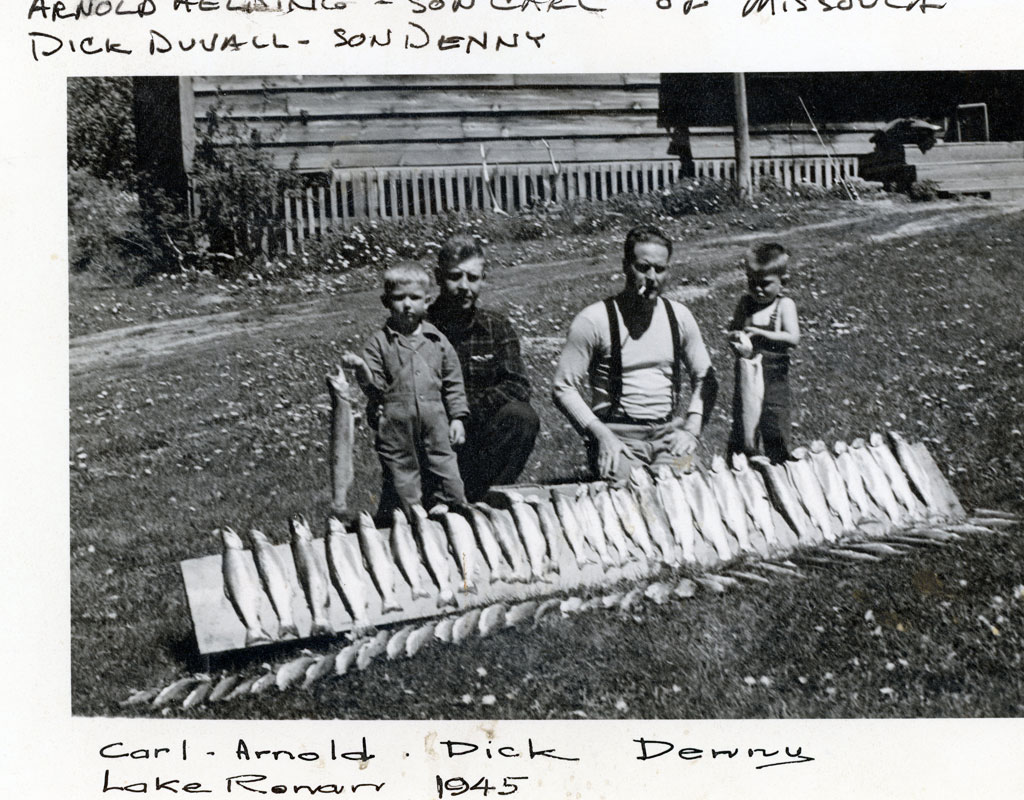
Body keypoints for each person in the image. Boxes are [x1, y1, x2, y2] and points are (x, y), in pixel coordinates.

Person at [552, 224, 718, 482]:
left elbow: (706, 377)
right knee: (630, 491)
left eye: (660, 269)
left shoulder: (680, 317)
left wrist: (691, 430)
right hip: (617, 437)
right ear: (625, 266)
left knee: (693, 479)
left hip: (668, 436)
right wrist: (600, 434)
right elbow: (563, 387)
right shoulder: (594, 319)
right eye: (643, 267)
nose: (651, 277)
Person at [343, 263, 468, 520]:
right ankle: (413, 514)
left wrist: (457, 418)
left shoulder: (437, 340)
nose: (407, 304)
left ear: (427, 301)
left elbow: (453, 382)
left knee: (444, 462)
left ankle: (452, 505)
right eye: (399, 298)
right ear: (386, 302)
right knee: (401, 468)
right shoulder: (379, 342)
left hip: (435, 416)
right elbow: (373, 386)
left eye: (414, 298)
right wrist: (361, 369)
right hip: (395, 418)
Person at [427, 235, 540, 501]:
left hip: (478, 436)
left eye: (473, 278)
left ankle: (483, 497)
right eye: (455, 276)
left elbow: (517, 385)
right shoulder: (419, 328)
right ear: (438, 277)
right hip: (430, 435)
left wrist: (466, 416)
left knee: (522, 417)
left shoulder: (496, 327)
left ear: (483, 279)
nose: (464, 286)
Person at [726, 242, 801, 463]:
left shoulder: (784, 305)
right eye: (752, 283)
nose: (758, 289)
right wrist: (734, 339)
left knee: (774, 419)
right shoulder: (746, 303)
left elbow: (793, 338)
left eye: (765, 284)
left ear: (783, 283)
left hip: (774, 375)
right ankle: (743, 461)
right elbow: (734, 330)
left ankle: (779, 462)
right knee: (744, 418)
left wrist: (760, 333)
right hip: (748, 372)